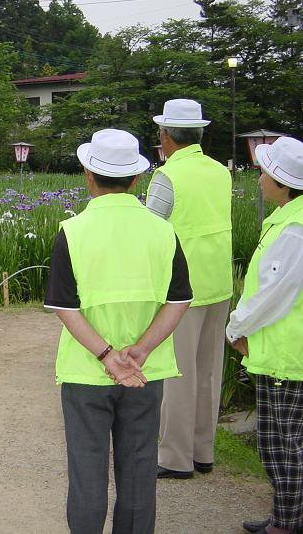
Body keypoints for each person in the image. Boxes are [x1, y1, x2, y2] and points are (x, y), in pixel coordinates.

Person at [44, 129, 192, 534]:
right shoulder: (163, 230)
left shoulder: (72, 231)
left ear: (88, 174)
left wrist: (107, 355)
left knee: (88, 468)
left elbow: (65, 306)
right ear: (137, 178)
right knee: (139, 468)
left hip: (85, 372)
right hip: (147, 370)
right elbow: (179, 300)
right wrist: (140, 350)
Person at [146, 99, 233, 479]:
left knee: (178, 372)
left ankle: (174, 458)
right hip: (219, 282)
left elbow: (151, 229)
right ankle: (203, 450)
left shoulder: (167, 176)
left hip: (181, 289)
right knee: (209, 371)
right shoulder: (220, 171)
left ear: (166, 135)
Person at [225, 136, 303, 534]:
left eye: (264, 173)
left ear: (283, 183)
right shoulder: (291, 223)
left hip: (285, 356)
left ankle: (286, 523)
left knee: (281, 444)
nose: (259, 181)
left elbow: (272, 296)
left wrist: (236, 328)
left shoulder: (293, 231)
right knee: (289, 441)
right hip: (288, 353)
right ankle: (284, 517)